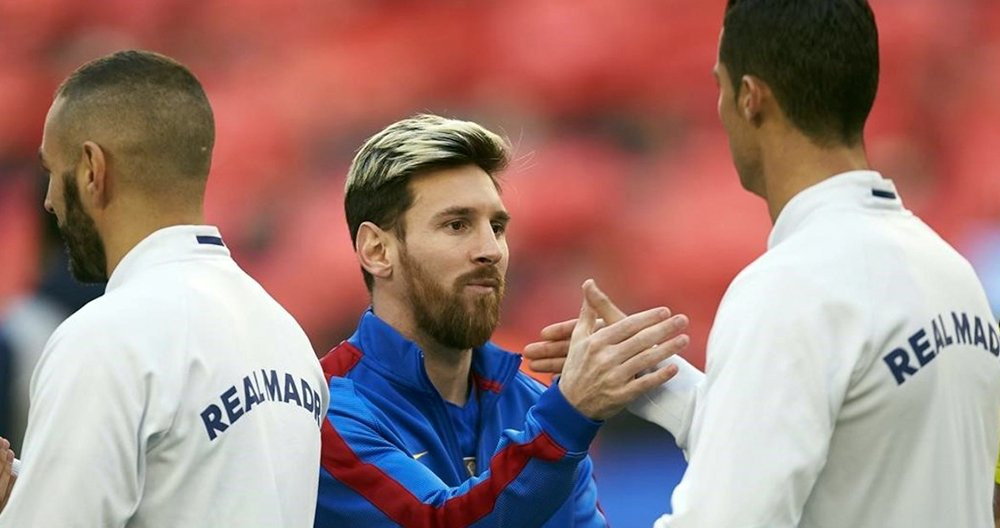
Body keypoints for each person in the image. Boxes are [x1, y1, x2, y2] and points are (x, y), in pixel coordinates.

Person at [525, 1, 1000, 526]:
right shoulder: (957, 277)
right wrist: (664, 383)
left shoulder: (788, 289)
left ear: (750, 98)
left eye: (720, 86)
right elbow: (861, 449)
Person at [0, 50, 328, 527]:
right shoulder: (288, 335)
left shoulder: (104, 339)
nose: (49, 201)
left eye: (53, 170)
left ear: (92, 169)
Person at [314, 114, 690, 527]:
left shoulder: (530, 403)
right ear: (378, 250)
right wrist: (569, 417)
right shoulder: (327, 410)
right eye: (457, 225)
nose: (491, 250)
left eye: (497, 227)